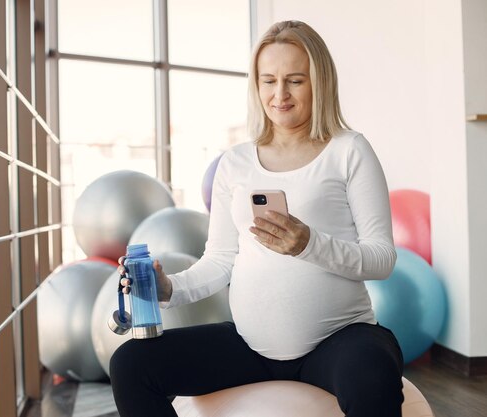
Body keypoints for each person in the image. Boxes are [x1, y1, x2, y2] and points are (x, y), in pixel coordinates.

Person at [110, 20, 404, 417]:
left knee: (373, 374)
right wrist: (167, 289)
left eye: (295, 81)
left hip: (341, 338)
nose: (279, 95)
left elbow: (382, 257)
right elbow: (220, 259)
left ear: (319, 82)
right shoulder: (235, 163)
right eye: (268, 81)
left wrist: (309, 245)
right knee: (130, 364)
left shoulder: (349, 150)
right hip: (250, 345)